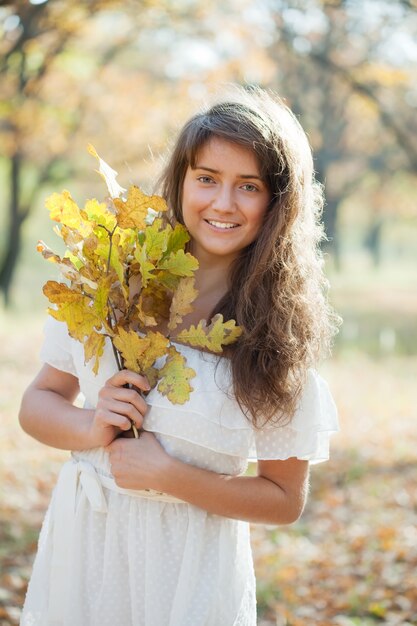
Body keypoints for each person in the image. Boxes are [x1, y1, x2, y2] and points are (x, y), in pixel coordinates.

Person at [19, 85, 339, 626]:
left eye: (249, 186)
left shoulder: (276, 336)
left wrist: (171, 475)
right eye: (207, 179)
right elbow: (38, 404)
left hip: (189, 571)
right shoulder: (114, 280)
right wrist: (91, 425)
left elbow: (284, 498)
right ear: (182, 181)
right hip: (86, 549)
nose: (222, 203)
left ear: (277, 203)